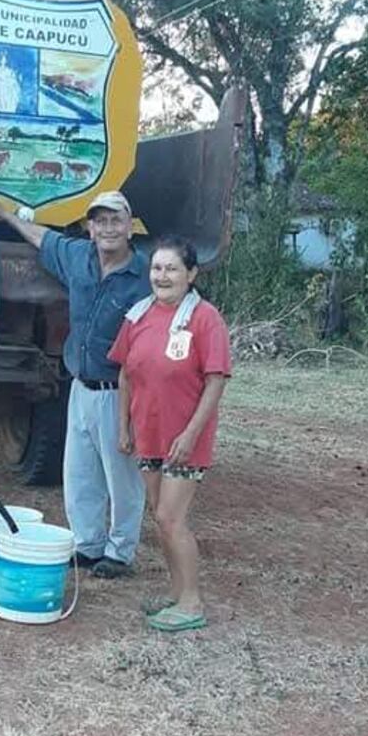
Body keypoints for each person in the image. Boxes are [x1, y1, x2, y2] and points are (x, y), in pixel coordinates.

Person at [0, 189, 150, 577]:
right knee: (80, 472)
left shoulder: (146, 274)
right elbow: (42, 237)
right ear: (90, 229)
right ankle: (88, 544)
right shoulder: (79, 257)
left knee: (122, 476)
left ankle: (121, 551)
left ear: (130, 227)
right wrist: (4, 213)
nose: (108, 228)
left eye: (116, 220)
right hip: (80, 384)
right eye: (100, 221)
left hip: (120, 390)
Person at [109, 235, 231, 631]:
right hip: (149, 431)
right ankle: (177, 593)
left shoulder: (204, 317)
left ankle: (192, 601)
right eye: (157, 268)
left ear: (191, 274)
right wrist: (123, 426)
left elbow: (215, 380)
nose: (162, 276)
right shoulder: (139, 315)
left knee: (170, 518)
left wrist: (191, 434)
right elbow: (125, 373)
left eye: (172, 268)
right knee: (161, 520)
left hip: (184, 438)